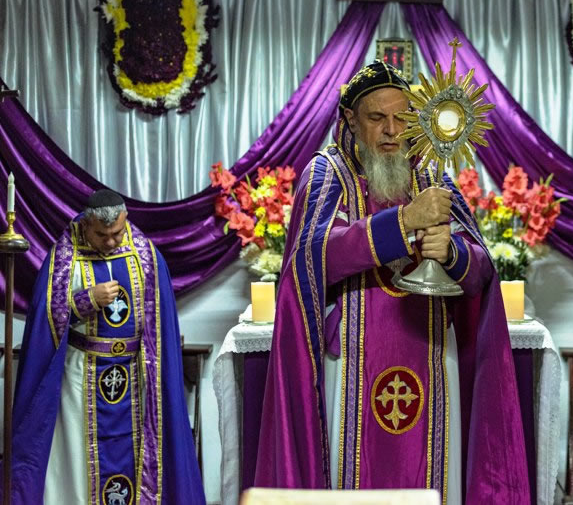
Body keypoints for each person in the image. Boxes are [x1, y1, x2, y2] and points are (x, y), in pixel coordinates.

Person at [254, 61, 530, 504]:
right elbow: (312, 257)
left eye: (402, 117)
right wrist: (402, 223)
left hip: (433, 358)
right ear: (350, 119)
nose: (391, 130)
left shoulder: (430, 175)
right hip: (350, 365)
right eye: (377, 117)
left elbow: (481, 271)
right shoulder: (327, 173)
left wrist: (452, 253)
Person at [2, 190, 205, 504]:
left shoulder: (144, 255)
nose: (111, 242)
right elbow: (45, 319)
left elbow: (160, 322)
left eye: (117, 233)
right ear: (86, 224)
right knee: (78, 463)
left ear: (125, 221)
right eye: (101, 235)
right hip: (80, 377)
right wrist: (85, 301)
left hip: (135, 378)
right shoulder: (65, 257)